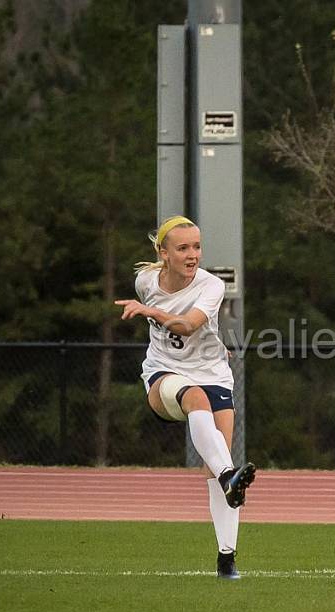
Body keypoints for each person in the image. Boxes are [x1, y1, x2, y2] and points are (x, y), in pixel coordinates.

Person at [115, 215, 256, 580]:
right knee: (195, 399)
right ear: (163, 253)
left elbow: (189, 324)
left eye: (197, 246)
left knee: (216, 469)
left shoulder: (211, 285)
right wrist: (152, 309)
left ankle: (226, 559)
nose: (193, 255)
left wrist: (152, 313)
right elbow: (176, 329)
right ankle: (230, 475)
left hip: (213, 376)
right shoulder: (145, 280)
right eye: (183, 248)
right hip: (165, 374)